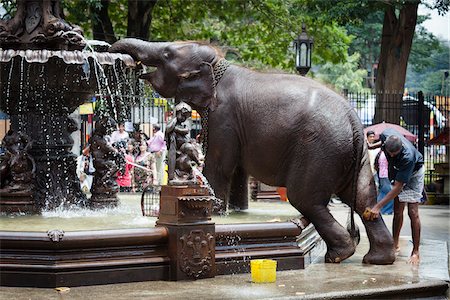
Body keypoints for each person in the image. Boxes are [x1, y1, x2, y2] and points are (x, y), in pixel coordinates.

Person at [365, 128, 424, 265]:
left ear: (400, 149)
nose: (391, 156)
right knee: (397, 211)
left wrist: (378, 207)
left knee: (412, 212)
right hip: (398, 171)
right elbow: (381, 143)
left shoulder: (407, 157)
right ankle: (394, 244)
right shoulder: (386, 135)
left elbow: (398, 188)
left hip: (414, 173)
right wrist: (372, 146)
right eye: (389, 153)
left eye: (394, 154)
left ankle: (416, 251)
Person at [374, 150, 393, 214]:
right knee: (390, 193)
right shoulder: (387, 154)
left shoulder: (381, 153)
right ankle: (387, 210)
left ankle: (379, 209)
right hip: (387, 175)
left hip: (381, 174)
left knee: (383, 192)